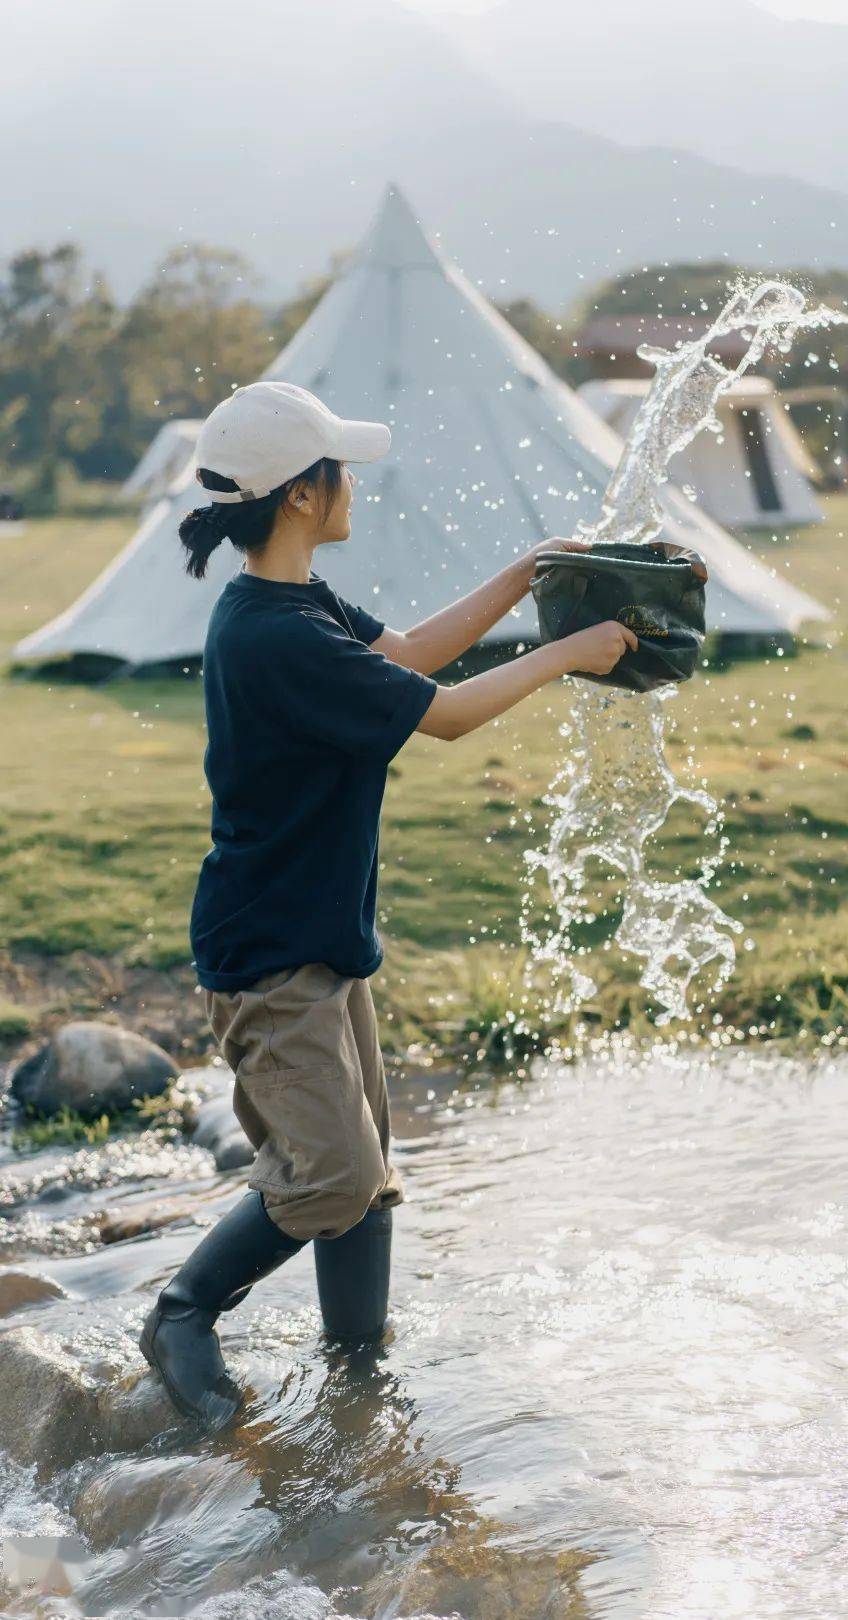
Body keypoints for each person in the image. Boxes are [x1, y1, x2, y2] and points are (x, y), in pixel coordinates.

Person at [139, 380, 636, 1427]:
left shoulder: (292, 605)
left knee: (367, 1176)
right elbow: (443, 716)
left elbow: (406, 654)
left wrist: (521, 576)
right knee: (328, 1177)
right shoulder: (276, 638)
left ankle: (356, 1368)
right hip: (270, 954)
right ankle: (182, 1311)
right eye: (339, 470)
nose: (352, 483)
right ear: (301, 497)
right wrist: (562, 655)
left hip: (314, 939)